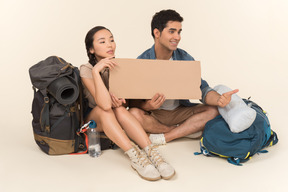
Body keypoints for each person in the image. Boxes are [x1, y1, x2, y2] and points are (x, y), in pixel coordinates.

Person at [129, 9, 239, 145]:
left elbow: (202, 89)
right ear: (157, 33)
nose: (178, 37)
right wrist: (148, 105)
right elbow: (132, 102)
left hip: (180, 111)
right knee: (133, 114)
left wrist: (219, 99)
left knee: (214, 110)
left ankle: (166, 137)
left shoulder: (184, 58)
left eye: (179, 32)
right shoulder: (142, 61)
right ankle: (182, 131)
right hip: (155, 114)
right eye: (172, 31)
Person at [80, 26, 175, 181]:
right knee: (106, 110)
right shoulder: (87, 69)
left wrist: (122, 101)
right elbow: (103, 104)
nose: (110, 45)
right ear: (91, 49)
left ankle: (152, 154)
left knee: (120, 110)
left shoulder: (119, 66)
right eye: (103, 42)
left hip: (114, 117)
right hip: (93, 120)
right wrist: (97, 72)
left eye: (111, 40)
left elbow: (124, 106)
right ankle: (135, 156)